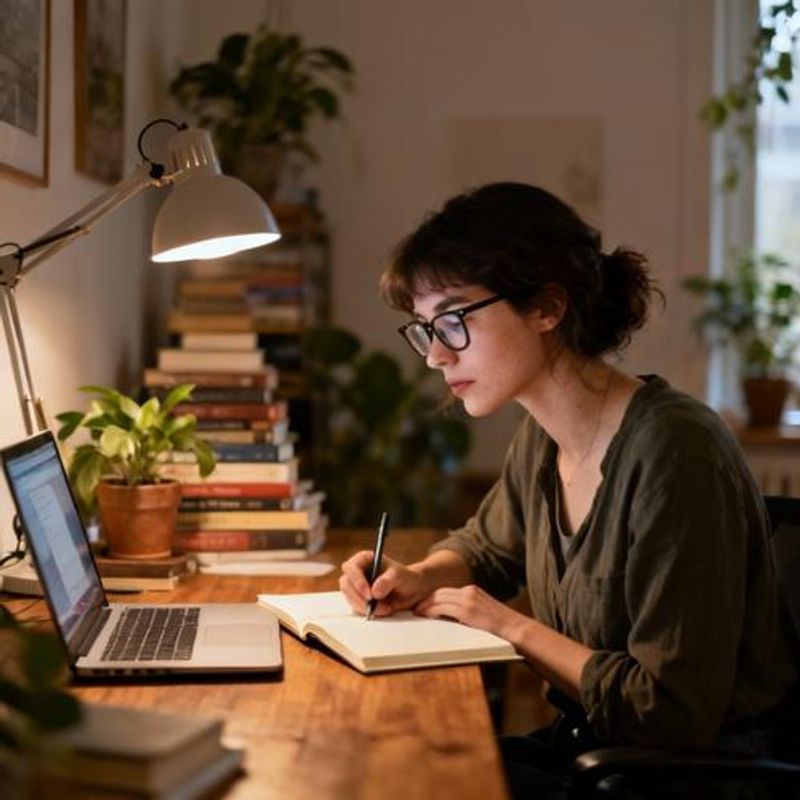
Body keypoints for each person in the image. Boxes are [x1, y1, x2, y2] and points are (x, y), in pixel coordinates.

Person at [339, 182, 796, 799]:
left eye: (452, 321)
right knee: (388, 763)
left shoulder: (676, 450)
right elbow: (488, 549)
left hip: (683, 778)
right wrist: (418, 575)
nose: (435, 357)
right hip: (593, 749)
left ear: (547, 307)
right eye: (425, 329)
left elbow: (673, 711)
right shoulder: (541, 436)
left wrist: (511, 627)